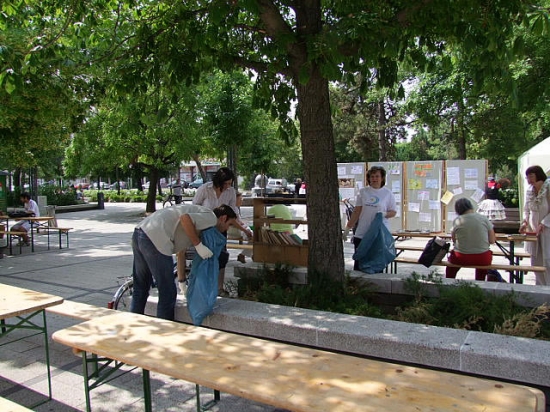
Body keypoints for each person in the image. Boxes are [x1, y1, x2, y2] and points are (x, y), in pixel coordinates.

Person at [130, 204, 237, 321]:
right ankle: (164, 328)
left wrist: (182, 281)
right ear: (223, 218)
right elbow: (185, 218)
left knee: (141, 287)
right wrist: (198, 245)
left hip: (140, 232)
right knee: (167, 292)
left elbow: (180, 253)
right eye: (229, 224)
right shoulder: (211, 218)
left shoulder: (198, 224)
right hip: (155, 238)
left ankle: (133, 325)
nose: (227, 229)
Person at [192, 167, 252, 295]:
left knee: (222, 257)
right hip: (204, 230)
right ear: (218, 181)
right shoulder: (204, 189)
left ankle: (219, 287)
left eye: (230, 183)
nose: (227, 186)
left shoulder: (231, 192)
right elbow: (194, 208)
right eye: (225, 183)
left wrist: (243, 228)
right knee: (206, 258)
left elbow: (233, 213)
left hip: (221, 230)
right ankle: (203, 287)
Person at [345, 166, 397, 270]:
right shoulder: (363, 192)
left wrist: (384, 214)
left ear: (382, 178)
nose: (374, 179)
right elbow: (356, 211)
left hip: (379, 234)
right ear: (368, 178)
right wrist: (348, 228)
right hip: (362, 232)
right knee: (359, 264)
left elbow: (393, 212)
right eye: (372, 176)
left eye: (377, 176)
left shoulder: (388, 193)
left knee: (375, 264)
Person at [446, 198, 496, 281]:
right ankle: (480, 282)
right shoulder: (484, 219)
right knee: (482, 266)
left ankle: (448, 282)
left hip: (461, 257)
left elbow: (454, 240)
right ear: (470, 206)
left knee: (451, 268)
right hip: (482, 258)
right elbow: (492, 241)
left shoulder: (457, 220)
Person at [520, 165, 550, 285]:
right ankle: (540, 286)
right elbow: (526, 209)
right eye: (527, 177)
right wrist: (525, 221)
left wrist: (543, 223)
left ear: (538, 175)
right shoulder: (530, 190)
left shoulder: (548, 187)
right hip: (533, 229)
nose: (529, 180)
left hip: (547, 228)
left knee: (547, 258)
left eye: (531, 176)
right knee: (535, 259)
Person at [228, 192, 253, 263]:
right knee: (253, 237)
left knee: (254, 237)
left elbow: (238, 221)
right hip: (234, 230)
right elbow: (234, 223)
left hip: (238, 228)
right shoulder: (232, 208)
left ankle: (247, 254)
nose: (242, 201)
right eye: (240, 199)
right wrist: (245, 230)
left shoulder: (236, 208)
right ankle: (245, 255)